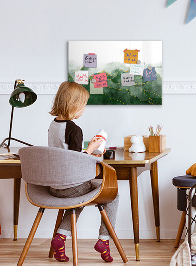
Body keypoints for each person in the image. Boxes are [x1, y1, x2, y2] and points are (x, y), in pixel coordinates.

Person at [48, 81, 118, 263]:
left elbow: (65, 155)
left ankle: (60, 238)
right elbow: (75, 161)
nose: (84, 109)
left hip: (54, 186)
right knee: (113, 194)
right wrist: (92, 149)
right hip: (71, 186)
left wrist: (87, 150)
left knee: (79, 198)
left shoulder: (53, 125)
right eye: (83, 105)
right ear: (74, 105)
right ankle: (104, 240)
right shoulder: (74, 129)